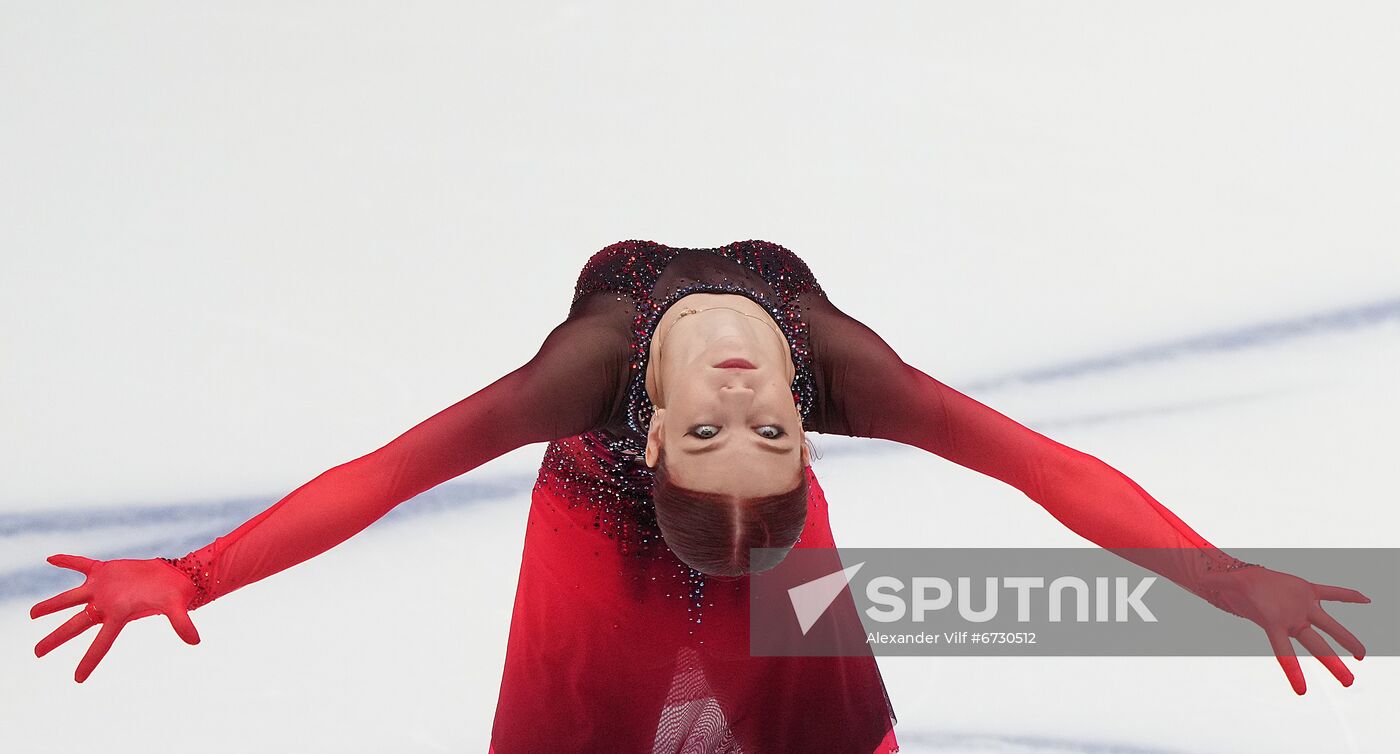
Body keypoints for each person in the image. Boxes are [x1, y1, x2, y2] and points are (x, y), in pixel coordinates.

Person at [30, 240, 1369, 753]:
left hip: (769, 553)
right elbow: (390, 471)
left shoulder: (819, 376)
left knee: (806, 714)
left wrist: (1221, 575)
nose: (741, 384)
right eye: (741, 418)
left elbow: (1045, 466)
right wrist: (190, 578)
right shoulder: (580, 378)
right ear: (648, 427)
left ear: (807, 432)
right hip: (603, 544)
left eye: (762, 418)